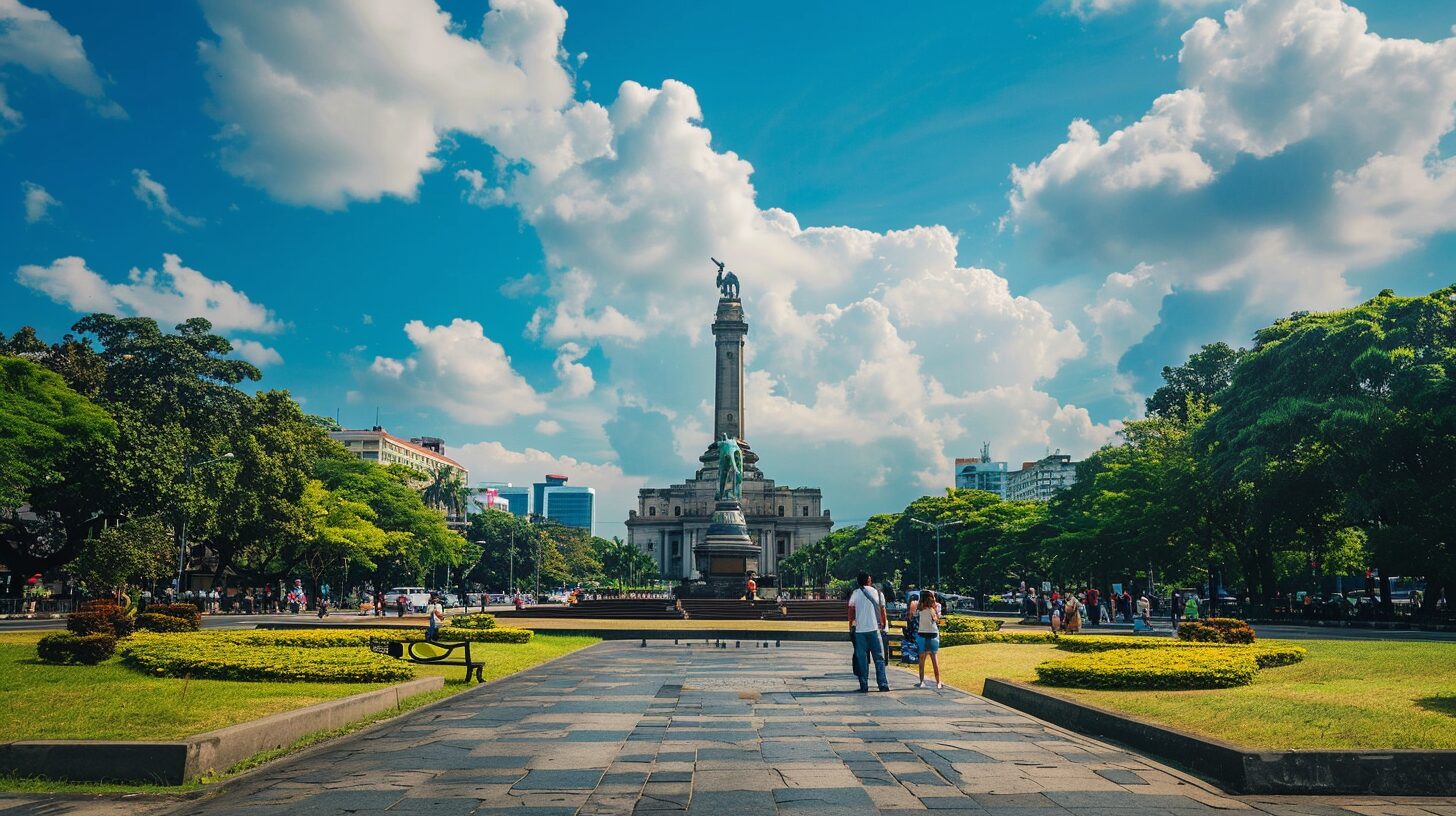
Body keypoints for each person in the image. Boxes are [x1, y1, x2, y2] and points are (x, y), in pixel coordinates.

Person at [847, 572, 890, 693]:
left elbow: (850, 609)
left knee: (862, 659)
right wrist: (884, 624)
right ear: (868, 580)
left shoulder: (855, 593)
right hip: (874, 629)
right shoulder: (878, 593)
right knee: (879, 658)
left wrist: (850, 625)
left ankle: (864, 684)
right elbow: (882, 610)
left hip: (860, 631)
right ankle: (883, 684)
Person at [910, 589, 944, 689]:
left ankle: (921, 681)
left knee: (921, 659)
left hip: (922, 634)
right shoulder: (932, 609)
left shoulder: (919, 608)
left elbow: (911, 613)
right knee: (934, 659)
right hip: (933, 634)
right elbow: (936, 620)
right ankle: (938, 682)